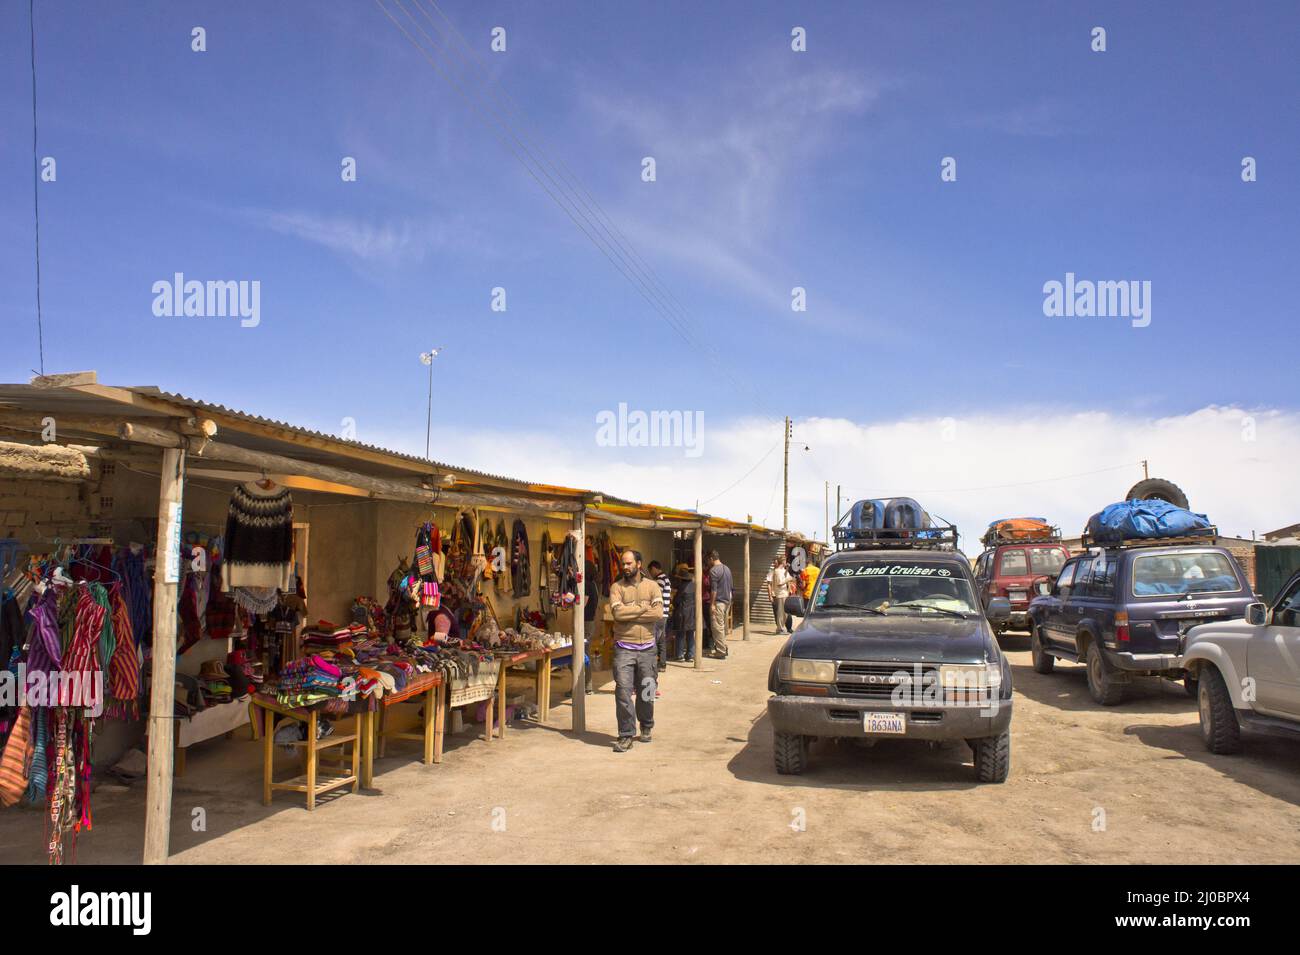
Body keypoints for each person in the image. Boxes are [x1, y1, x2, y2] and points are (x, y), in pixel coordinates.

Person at [607, 549, 662, 752]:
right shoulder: (617, 587)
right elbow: (617, 613)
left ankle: (646, 725)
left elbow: (657, 613)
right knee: (622, 691)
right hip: (624, 648)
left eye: (629, 563)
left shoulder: (652, 586)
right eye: (623, 563)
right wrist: (642, 610)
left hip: (647, 649)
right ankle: (626, 735)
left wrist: (631, 613)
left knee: (647, 690)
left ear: (639, 564)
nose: (625, 567)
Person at [707, 550, 734, 658]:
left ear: (711, 559)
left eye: (708, 560)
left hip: (718, 603)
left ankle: (721, 651)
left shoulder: (713, 570)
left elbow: (714, 590)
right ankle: (723, 647)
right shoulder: (727, 569)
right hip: (727, 601)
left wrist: (712, 604)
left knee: (717, 627)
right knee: (722, 626)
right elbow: (732, 587)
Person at [648, 560, 672, 674]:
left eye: (650, 571)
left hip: (660, 614)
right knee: (661, 639)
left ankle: (653, 664)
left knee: (654, 639)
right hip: (665, 613)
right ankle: (662, 664)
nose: (650, 573)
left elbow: (656, 595)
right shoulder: (665, 578)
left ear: (654, 568)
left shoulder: (660, 579)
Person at [671, 562, 695, 662]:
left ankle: (680, 655)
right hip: (692, 613)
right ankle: (690, 655)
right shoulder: (693, 586)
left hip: (682, 613)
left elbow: (676, 601)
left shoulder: (681, 587)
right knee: (690, 634)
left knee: (680, 634)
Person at [767, 555, 793, 634]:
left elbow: (784, 577)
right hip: (780, 594)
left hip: (784, 594)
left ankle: (784, 628)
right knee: (780, 613)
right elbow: (779, 583)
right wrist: (788, 579)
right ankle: (779, 629)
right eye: (785, 561)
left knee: (785, 613)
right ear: (783, 562)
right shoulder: (776, 571)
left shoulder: (782, 570)